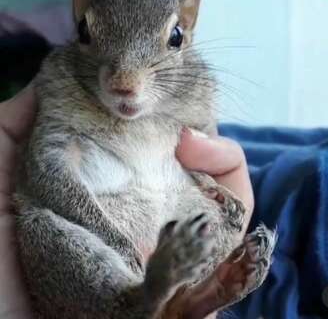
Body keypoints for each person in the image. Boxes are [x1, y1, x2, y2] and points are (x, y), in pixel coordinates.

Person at [0, 85, 255, 319]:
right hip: (94, 270)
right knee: (39, 222)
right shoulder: (65, 84)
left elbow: (187, 157)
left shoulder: (187, 90)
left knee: (223, 217)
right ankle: (148, 300)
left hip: (162, 218)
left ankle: (178, 300)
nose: (127, 84)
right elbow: (48, 175)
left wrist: (206, 186)